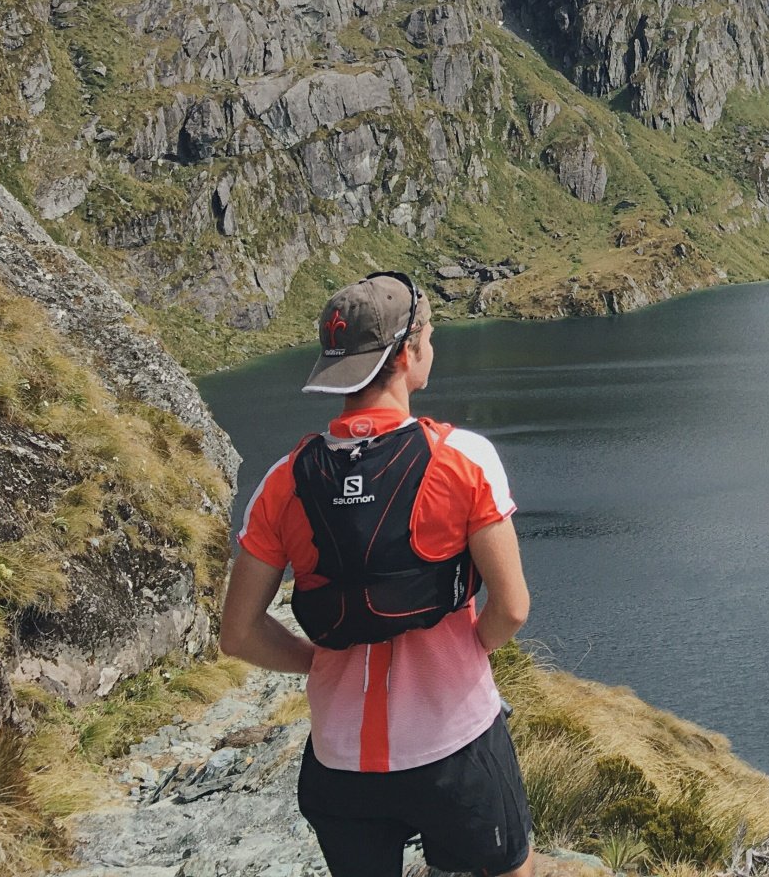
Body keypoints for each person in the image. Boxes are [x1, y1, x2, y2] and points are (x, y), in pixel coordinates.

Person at [220, 272, 535, 877]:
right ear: (406, 354)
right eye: (428, 337)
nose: (431, 348)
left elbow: (237, 634)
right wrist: (473, 650)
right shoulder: (463, 459)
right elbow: (513, 607)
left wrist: (317, 663)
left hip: (340, 763)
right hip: (455, 742)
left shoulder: (283, 480)